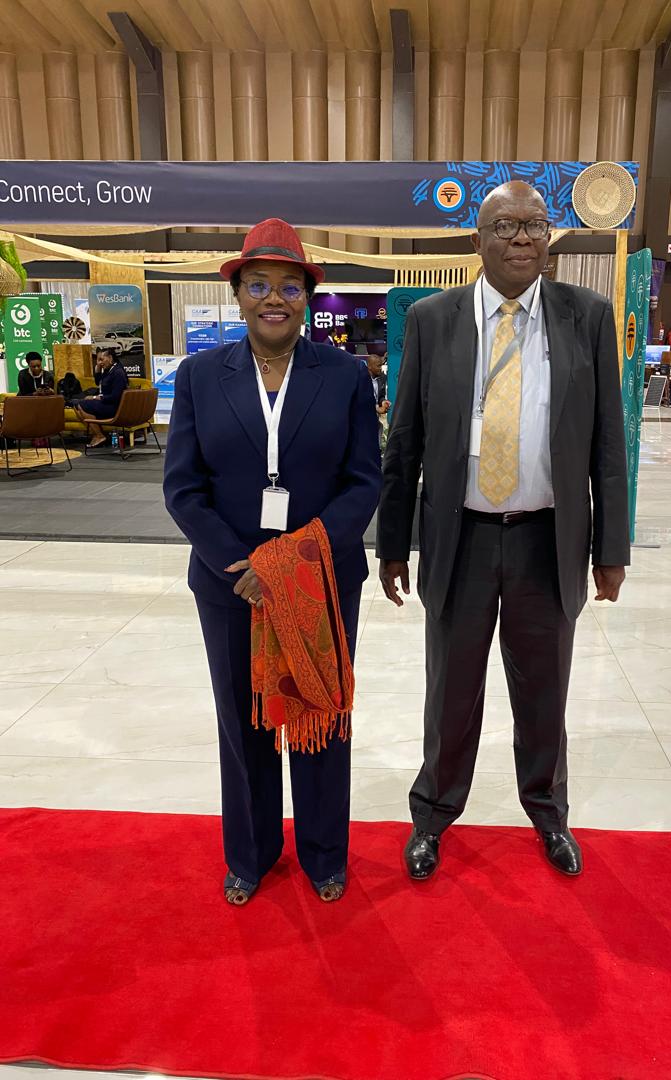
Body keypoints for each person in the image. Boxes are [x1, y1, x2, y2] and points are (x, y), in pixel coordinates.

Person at [377, 180, 630, 881]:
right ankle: (431, 816)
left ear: (548, 239)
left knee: (544, 694)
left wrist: (611, 549)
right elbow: (406, 444)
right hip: (458, 541)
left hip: (546, 544)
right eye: (506, 226)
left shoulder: (587, 316)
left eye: (535, 225)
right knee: (450, 693)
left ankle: (549, 816)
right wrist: (392, 543)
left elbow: (609, 444)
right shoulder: (434, 319)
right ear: (477, 241)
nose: (523, 237)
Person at [163, 218, 381, 906]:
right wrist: (241, 566)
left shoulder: (344, 375)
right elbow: (182, 487)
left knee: (319, 713)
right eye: (259, 284)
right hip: (231, 587)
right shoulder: (201, 375)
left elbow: (363, 482)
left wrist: (293, 563)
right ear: (238, 294)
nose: (274, 298)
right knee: (245, 719)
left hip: (321, 579)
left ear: (308, 296)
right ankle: (251, 854)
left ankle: (323, 854)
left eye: (289, 285)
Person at [76, 347, 129, 447]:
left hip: (114, 407)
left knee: (82, 404)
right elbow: (98, 383)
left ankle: (99, 435)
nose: (99, 362)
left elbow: (115, 397)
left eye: (101, 359)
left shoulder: (118, 372)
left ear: (110, 358)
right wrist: (97, 370)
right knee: (77, 405)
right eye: (98, 360)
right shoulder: (109, 370)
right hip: (107, 403)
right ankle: (97, 435)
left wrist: (96, 398)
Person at [366, 352, 390, 445]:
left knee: (379, 428)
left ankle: (378, 452)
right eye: (378, 366)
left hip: (374, 417)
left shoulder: (382, 378)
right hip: (363, 417)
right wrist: (377, 408)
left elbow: (380, 396)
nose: (381, 368)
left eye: (381, 365)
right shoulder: (362, 379)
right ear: (369, 366)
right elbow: (363, 400)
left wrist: (383, 402)